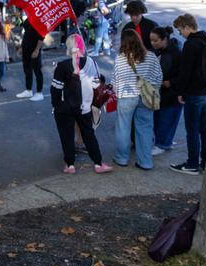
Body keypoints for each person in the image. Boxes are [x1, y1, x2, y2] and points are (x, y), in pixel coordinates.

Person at [51, 34, 111, 174]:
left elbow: (56, 88)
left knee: (66, 135)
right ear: (83, 46)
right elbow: (96, 84)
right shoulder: (92, 63)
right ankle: (98, 163)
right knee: (88, 134)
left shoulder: (62, 66)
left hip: (64, 108)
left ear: (68, 47)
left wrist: (55, 105)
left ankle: (70, 165)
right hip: (85, 106)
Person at [170, 13, 206, 175]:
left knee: (192, 129)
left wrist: (180, 92)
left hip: (194, 92)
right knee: (204, 129)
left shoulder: (191, 44)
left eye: (180, 30)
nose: (180, 34)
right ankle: (205, 161)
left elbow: (185, 72)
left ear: (187, 27)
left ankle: (192, 163)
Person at [113, 30, 163, 169]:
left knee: (123, 128)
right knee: (145, 129)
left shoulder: (120, 58)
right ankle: (145, 161)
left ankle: (121, 158)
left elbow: (115, 80)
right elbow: (158, 78)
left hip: (126, 97)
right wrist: (153, 90)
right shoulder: (151, 56)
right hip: (146, 97)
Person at [150, 26, 183, 155]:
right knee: (165, 119)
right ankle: (165, 142)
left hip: (171, 93)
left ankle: (162, 144)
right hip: (166, 92)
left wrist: (171, 82)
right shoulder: (163, 51)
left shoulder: (174, 53)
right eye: (151, 41)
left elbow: (182, 73)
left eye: (155, 41)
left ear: (164, 39)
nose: (153, 43)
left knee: (165, 119)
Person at [16, 22, 45, 101]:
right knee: (27, 70)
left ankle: (39, 93)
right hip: (26, 48)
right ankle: (28, 90)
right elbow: (26, 34)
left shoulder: (40, 21)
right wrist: (22, 47)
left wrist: (37, 50)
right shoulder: (29, 19)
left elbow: (41, 36)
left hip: (34, 49)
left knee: (37, 71)